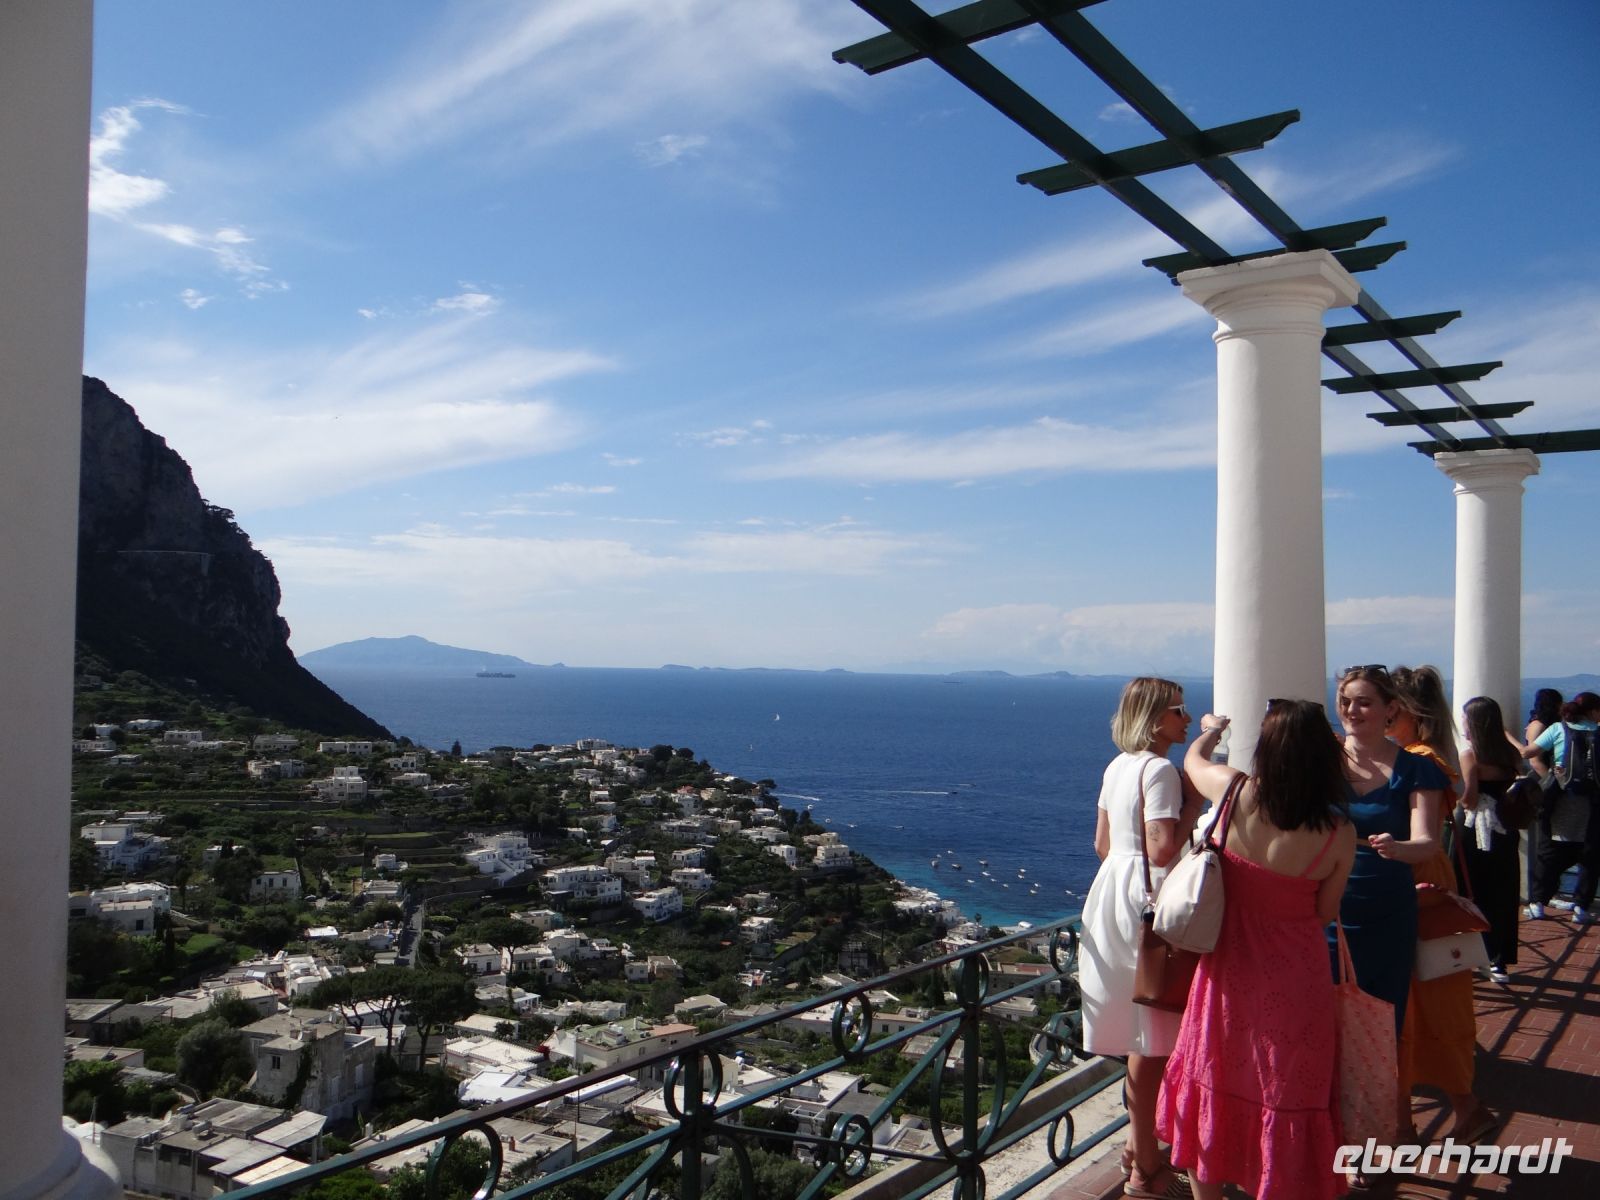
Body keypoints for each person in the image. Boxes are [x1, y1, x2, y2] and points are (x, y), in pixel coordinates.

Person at [1155, 700, 1356, 1200]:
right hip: (1298, 982)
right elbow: (1325, 912)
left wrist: (1212, 730)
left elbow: (1193, 762)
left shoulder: (1234, 793)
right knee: (1285, 1091)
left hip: (1228, 972)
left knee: (1213, 1085)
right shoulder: (1338, 833)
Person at [1078, 677, 1203, 1199]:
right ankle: (1146, 1165)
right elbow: (1161, 849)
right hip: (1146, 904)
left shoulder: (1117, 766)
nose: (1187, 718)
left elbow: (1102, 844)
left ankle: (1140, 1149)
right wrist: (1195, 803)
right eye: (1178, 710)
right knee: (1153, 1034)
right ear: (1155, 719)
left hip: (1111, 892)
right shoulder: (1159, 771)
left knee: (1141, 1032)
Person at [1389, 666, 1494, 1144]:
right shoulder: (1427, 755)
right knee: (1428, 1000)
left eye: (1392, 709)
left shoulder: (1416, 759)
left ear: (1411, 712)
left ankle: (1409, 1124)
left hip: (1415, 881)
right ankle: (1457, 1110)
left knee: (1414, 1002)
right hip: (1427, 878)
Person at [1329, 666, 1445, 1047]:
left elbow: (1428, 842)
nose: (1351, 711)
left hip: (1387, 913)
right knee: (1321, 1018)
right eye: (1345, 701)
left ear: (1390, 709)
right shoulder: (1322, 765)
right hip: (1327, 911)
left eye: (1364, 703)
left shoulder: (1417, 769)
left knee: (1377, 1026)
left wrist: (1398, 848)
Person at [1517, 692, 1600, 924]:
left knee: (1549, 852)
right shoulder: (1598, 731)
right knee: (1591, 855)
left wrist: (1508, 737)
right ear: (1593, 711)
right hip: (1592, 802)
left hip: (1560, 800)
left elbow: (1528, 753)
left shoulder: (1558, 729)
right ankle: (1581, 907)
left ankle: (1537, 903)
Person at [1458, 696, 1524, 982]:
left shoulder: (1471, 755)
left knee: (1470, 890)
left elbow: (1470, 798)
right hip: (1505, 830)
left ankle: (1468, 954)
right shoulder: (1510, 754)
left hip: (1475, 830)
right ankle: (1499, 960)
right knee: (1503, 892)